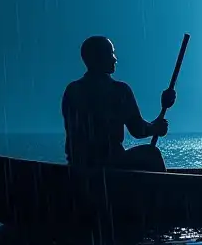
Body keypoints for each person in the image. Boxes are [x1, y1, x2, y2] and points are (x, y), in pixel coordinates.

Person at [61, 36, 175, 171]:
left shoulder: (72, 90)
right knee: (151, 154)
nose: (115, 59)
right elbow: (138, 130)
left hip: (78, 167)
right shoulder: (119, 90)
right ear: (98, 57)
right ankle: (165, 191)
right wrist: (156, 127)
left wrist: (156, 124)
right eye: (111, 53)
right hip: (110, 166)